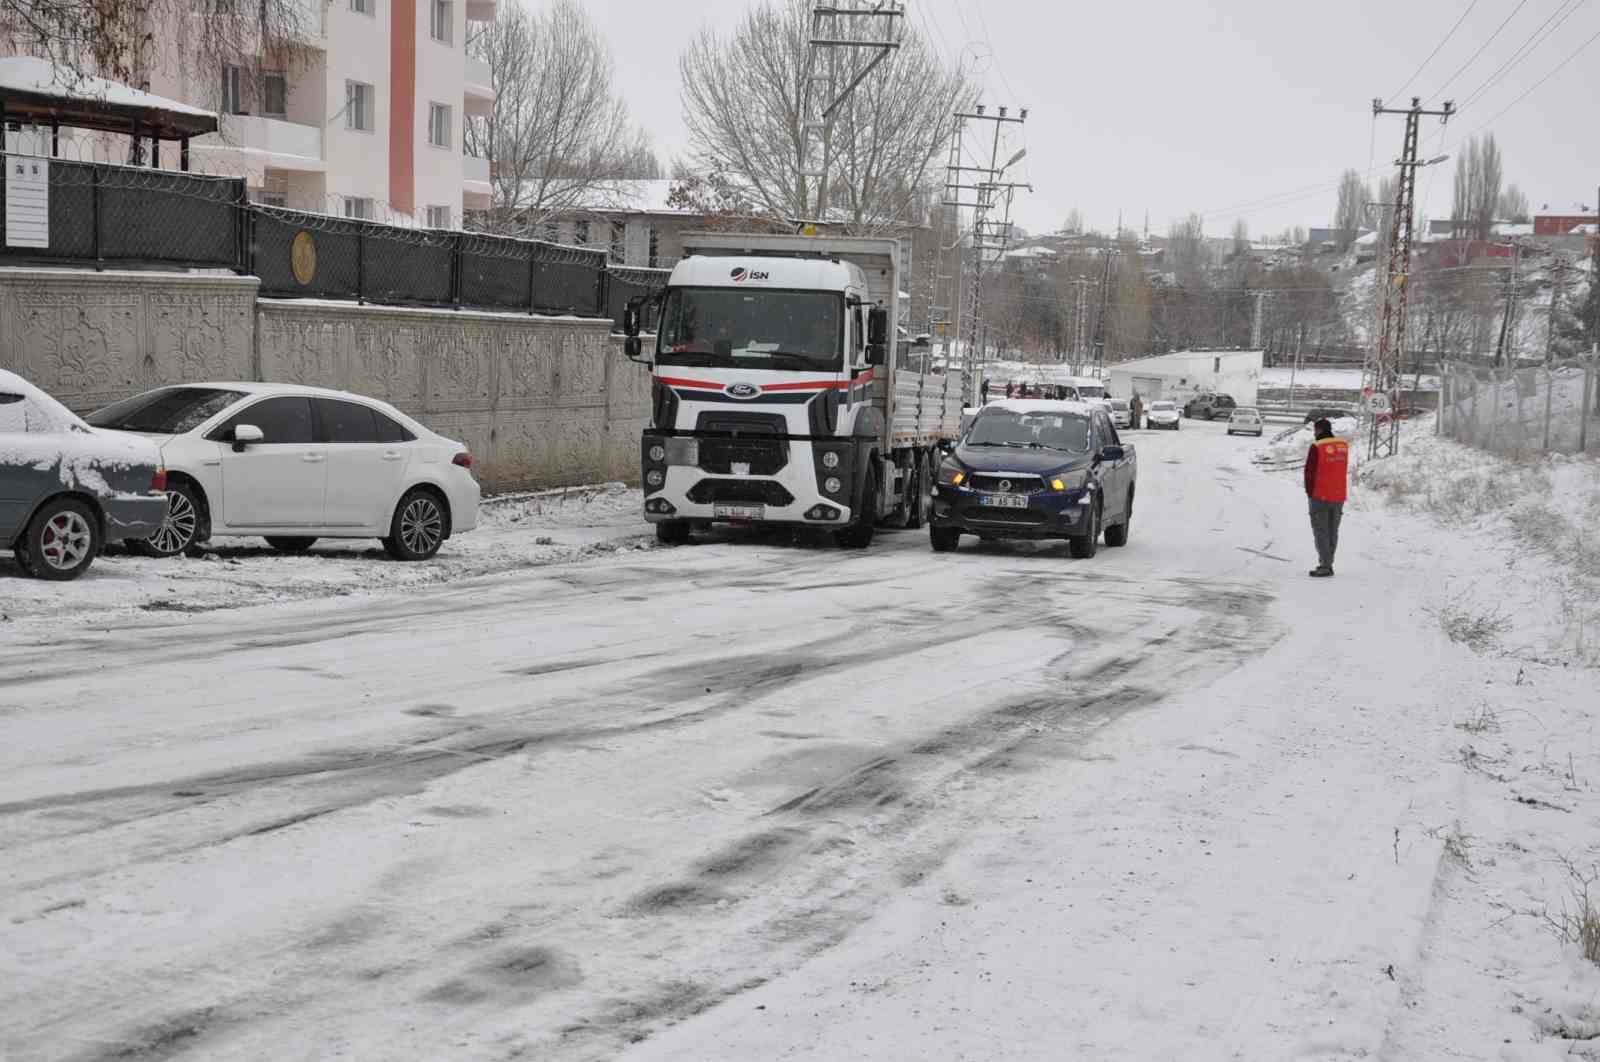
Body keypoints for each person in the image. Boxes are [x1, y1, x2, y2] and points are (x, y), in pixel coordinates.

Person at [1303, 418, 1349, 578]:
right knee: (1332, 530)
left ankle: (1325, 565)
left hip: (1320, 495)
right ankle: (1329, 562)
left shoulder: (1317, 446)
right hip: (1339, 495)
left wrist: (1309, 493)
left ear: (1319, 430)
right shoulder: (1343, 446)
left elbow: (1309, 472)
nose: (1314, 433)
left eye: (1315, 431)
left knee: (1320, 530)